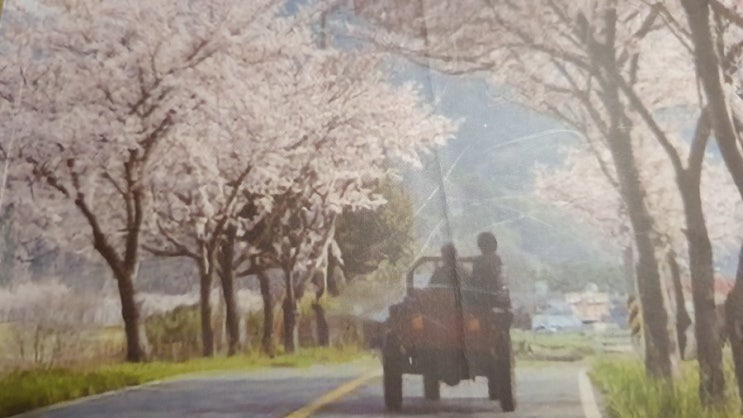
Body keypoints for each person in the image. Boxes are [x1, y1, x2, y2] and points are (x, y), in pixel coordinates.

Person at [471, 231, 508, 306]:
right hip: (491, 296)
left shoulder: (479, 260)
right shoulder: (496, 259)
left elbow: (474, 279)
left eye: (483, 244)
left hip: (485, 297)